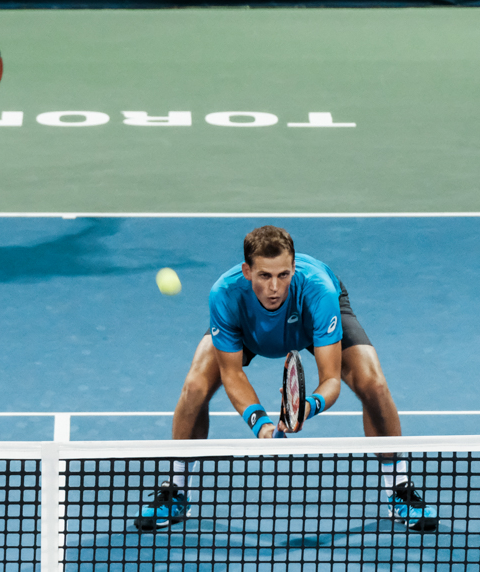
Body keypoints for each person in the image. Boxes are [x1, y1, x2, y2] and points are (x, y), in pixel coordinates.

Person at [137, 225, 437, 532]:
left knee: (372, 383)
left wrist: (306, 406)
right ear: (246, 271)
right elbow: (231, 372)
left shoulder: (318, 289)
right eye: (264, 275)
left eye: (283, 275)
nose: (274, 287)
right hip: (248, 327)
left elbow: (330, 380)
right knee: (195, 386)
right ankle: (175, 489)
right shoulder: (224, 295)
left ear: (293, 268)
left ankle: (399, 488)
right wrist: (261, 425)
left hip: (309, 320)